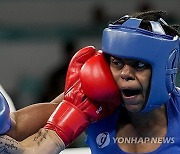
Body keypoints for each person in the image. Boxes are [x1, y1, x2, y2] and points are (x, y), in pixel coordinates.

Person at [0, 10, 180, 154]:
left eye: (139, 65)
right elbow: (14, 129)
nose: (125, 73)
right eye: (117, 63)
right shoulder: (94, 99)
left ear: (165, 69)